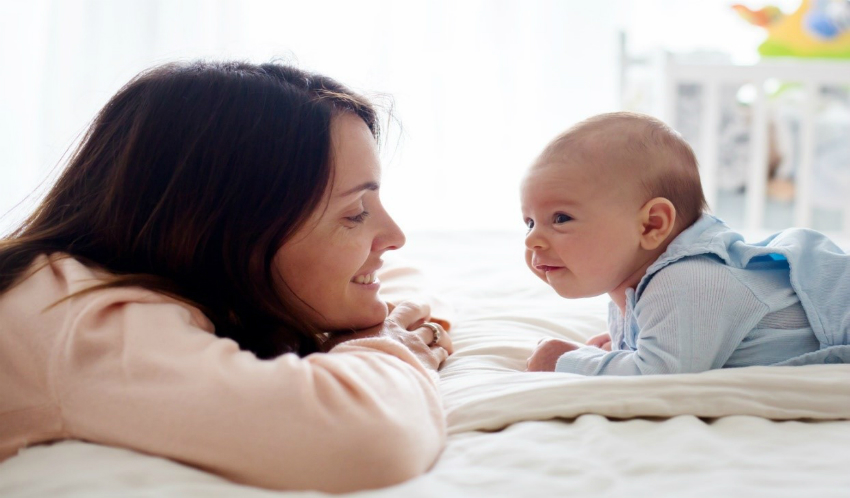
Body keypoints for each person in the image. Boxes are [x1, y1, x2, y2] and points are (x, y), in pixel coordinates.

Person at [0, 61, 453, 492]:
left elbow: (407, 276)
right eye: (354, 213)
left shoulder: (87, 283)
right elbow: (366, 441)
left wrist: (373, 314)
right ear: (228, 228)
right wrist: (392, 347)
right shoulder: (82, 318)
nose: (395, 237)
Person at [522, 111, 850, 375]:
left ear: (652, 224)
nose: (533, 239)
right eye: (530, 222)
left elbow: (659, 375)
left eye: (561, 218)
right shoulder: (633, 290)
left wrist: (563, 361)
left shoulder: (688, 281)